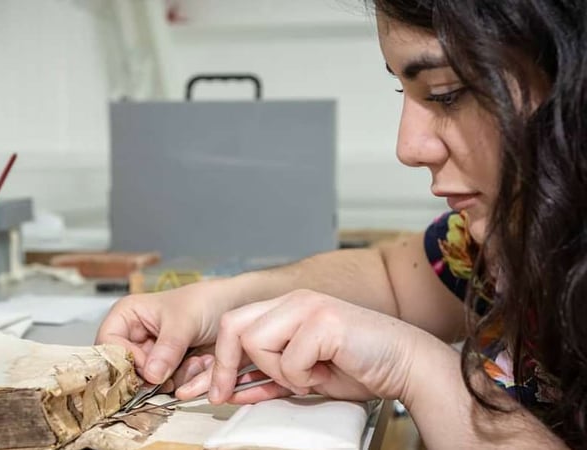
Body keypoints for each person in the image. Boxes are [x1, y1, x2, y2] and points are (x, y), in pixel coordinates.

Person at [96, 0, 587, 447]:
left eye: (446, 93)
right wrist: (221, 301)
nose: (408, 148)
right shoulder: (503, 235)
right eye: (404, 88)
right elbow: (393, 279)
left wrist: (415, 369)